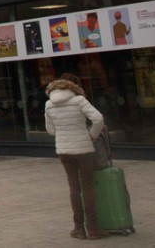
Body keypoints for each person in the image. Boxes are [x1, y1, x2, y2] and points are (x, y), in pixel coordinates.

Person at [45, 73, 106, 240]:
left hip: (63, 150)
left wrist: (63, 134)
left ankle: (78, 228)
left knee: (74, 188)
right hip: (84, 149)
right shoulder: (79, 100)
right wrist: (92, 135)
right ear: (73, 88)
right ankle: (93, 228)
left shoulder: (49, 104)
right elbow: (98, 118)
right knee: (87, 187)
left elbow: (51, 130)